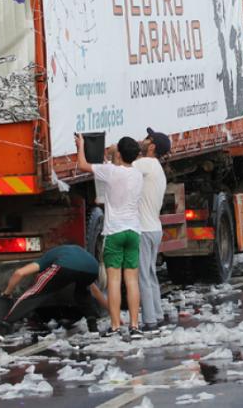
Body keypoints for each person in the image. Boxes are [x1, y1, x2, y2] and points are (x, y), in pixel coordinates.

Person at [74, 133, 144, 339]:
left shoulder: (111, 172)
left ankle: (115, 326)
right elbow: (120, 162)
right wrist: (116, 153)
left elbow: (83, 165)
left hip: (114, 231)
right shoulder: (138, 174)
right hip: (133, 231)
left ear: (119, 154)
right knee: (132, 280)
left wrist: (81, 145)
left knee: (114, 280)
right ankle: (134, 324)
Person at [1, 244, 109, 332]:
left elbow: (19, 273)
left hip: (65, 266)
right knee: (82, 293)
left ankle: (5, 323)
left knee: (34, 292)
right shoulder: (73, 252)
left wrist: (7, 293)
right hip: (93, 270)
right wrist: (113, 313)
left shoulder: (47, 257)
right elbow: (95, 291)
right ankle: (92, 326)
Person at [133, 128, 171, 331]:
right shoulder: (157, 169)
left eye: (147, 139)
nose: (143, 140)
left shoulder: (145, 164)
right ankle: (157, 313)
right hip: (154, 228)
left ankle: (149, 320)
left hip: (144, 229)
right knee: (150, 273)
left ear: (152, 146)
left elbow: (122, 169)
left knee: (143, 276)